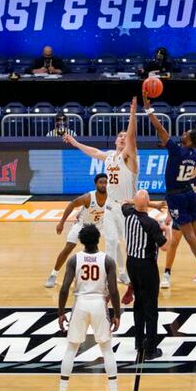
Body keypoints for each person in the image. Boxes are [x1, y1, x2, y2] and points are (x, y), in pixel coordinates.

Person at [143, 91, 196, 292]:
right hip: (189, 194)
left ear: (189, 140)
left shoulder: (176, 150)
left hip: (176, 195)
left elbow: (159, 128)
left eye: (186, 133)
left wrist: (149, 109)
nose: (184, 133)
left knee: (188, 235)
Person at [64, 97, 140, 285]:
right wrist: (76, 143)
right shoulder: (108, 157)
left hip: (127, 208)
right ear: (115, 140)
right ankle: (109, 277)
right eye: (120, 136)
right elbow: (93, 152)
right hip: (110, 207)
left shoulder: (129, 156)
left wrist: (132, 114)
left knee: (131, 246)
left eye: (125, 136)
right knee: (111, 243)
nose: (123, 137)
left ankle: (128, 273)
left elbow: (131, 136)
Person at [54, 224, 124, 391]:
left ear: (81, 241)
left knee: (71, 349)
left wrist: (61, 313)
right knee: (107, 349)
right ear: (98, 239)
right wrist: (117, 314)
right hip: (99, 304)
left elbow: (64, 289)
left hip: (81, 304)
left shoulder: (74, 260)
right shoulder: (107, 260)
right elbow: (114, 291)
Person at [122, 190, 172, 360]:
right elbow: (165, 247)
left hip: (131, 264)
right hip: (146, 267)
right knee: (151, 308)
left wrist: (142, 203)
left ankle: (138, 342)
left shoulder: (127, 213)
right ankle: (150, 349)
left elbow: (124, 202)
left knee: (139, 305)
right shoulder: (151, 224)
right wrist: (167, 230)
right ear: (149, 202)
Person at [45, 173, 107, 288]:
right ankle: (53, 275)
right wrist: (61, 222)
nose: (103, 185)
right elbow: (72, 204)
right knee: (68, 248)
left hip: (98, 227)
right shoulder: (88, 197)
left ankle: (109, 277)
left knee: (111, 246)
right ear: (96, 184)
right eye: (101, 182)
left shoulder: (111, 197)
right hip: (82, 225)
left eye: (105, 182)